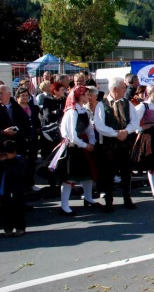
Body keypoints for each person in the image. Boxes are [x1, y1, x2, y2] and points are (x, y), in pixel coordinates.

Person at [94, 77, 140, 212]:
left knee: (126, 172)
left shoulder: (127, 103)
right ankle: (109, 201)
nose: (125, 90)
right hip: (109, 145)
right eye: (123, 88)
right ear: (115, 89)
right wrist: (115, 134)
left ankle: (127, 198)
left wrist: (126, 131)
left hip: (125, 144)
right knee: (109, 173)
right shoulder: (102, 104)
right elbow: (99, 125)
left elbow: (135, 121)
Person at [56, 86, 99, 215]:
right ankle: (64, 206)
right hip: (73, 147)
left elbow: (88, 128)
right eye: (86, 94)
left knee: (88, 174)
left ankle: (88, 198)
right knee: (69, 177)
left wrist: (91, 142)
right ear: (80, 96)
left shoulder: (82, 111)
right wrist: (85, 145)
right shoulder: (72, 111)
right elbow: (71, 135)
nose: (89, 97)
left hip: (84, 145)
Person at [14, 87, 41, 192]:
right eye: (22, 96)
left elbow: (36, 122)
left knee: (31, 163)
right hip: (20, 140)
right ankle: (22, 185)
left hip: (32, 139)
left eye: (26, 95)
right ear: (17, 97)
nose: (25, 97)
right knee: (21, 164)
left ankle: (30, 183)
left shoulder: (32, 108)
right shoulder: (15, 109)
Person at [0, 140, 26, 237]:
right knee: (6, 211)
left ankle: (20, 228)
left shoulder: (19, 160)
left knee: (17, 210)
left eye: (7, 154)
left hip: (16, 190)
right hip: (4, 190)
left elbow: (16, 174)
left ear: (14, 152)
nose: (5, 156)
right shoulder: (3, 160)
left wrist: (5, 163)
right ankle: (8, 229)